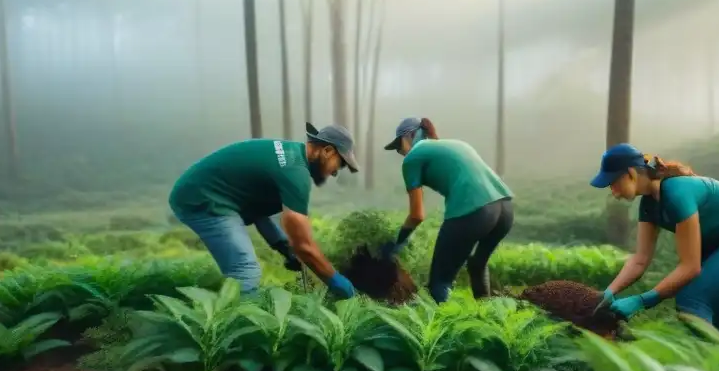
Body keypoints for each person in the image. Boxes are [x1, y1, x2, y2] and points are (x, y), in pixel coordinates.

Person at [589, 143, 719, 333]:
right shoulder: (648, 205)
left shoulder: (676, 192)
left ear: (631, 173)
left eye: (613, 183)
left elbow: (690, 267)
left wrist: (642, 301)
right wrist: (608, 293)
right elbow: (640, 260)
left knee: (692, 299)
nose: (613, 193)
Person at [168, 123, 359, 299]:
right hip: (204, 199)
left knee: (244, 269)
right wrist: (335, 281)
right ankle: (238, 328)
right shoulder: (295, 174)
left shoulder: (291, 155)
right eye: (340, 164)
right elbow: (305, 246)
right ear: (327, 151)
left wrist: (283, 247)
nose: (334, 172)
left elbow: (259, 208)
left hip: (203, 191)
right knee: (244, 270)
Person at [380, 117, 514, 303]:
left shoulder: (413, 158)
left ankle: (447, 329)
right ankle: (489, 320)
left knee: (440, 283)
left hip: (473, 210)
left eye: (398, 145)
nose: (399, 151)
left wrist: (397, 242)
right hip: (505, 208)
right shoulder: (456, 144)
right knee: (477, 265)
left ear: (409, 136)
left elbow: (417, 215)